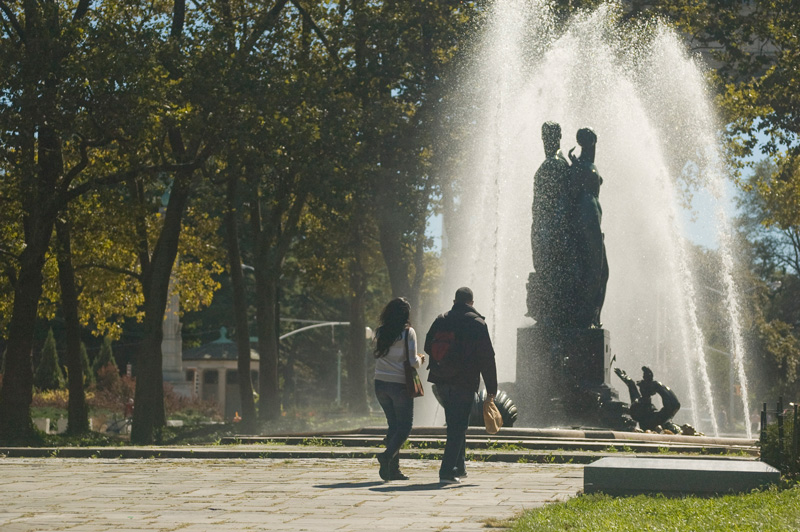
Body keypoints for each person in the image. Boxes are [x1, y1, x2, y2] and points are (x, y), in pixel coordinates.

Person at [424, 287, 498, 484]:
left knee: (455, 423)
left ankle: (460, 467)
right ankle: (447, 471)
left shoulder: (442, 319)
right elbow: (486, 358)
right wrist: (492, 388)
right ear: (471, 303)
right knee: (458, 427)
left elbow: (427, 345)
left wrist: (443, 360)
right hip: (464, 382)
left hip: (441, 381)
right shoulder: (477, 323)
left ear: (454, 300)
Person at [373, 297, 425, 481]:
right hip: (399, 385)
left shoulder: (379, 332)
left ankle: (391, 470)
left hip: (380, 383)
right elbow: (412, 362)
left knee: (393, 426)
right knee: (404, 427)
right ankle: (387, 457)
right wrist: (421, 359)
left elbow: (379, 355)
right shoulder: (408, 332)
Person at [528, 121, 573, 325]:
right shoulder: (560, 163)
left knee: (548, 269)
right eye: (544, 137)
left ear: (557, 138)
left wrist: (549, 230)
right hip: (547, 226)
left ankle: (550, 314)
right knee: (547, 269)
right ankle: (552, 313)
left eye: (549, 137)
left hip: (549, 228)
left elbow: (556, 202)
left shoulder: (554, 164)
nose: (546, 141)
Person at [568, 127, 609, 328]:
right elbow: (573, 195)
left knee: (601, 271)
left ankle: (592, 315)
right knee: (596, 269)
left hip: (592, 218)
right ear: (591, 141)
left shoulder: (585, 164)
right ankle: (587, 316)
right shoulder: (581, 165)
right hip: (588, 217)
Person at [614, 366, 681, 432]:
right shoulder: (655, 419)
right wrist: (657, 385)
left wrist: (629, 381)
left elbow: (633, 389)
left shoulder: (640, 411)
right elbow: (675, 405)